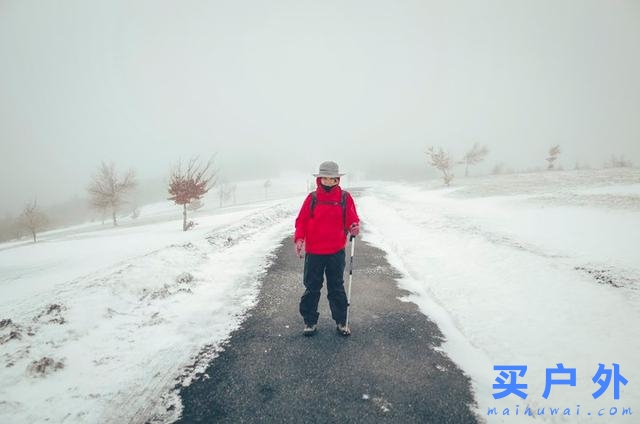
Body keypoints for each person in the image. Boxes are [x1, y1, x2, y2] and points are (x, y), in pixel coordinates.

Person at [294, 161, 360, 337]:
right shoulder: (312, 198)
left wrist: (354, 226)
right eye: (326, 178)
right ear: (320, 179)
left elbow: (352, 219)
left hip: (335, 251)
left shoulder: (345, 198)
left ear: (338, 179)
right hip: (314, 251)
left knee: (336, 287)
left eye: (333, 179)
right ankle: (309, 321)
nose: (329, 182)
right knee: (312, 287)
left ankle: (341, 321)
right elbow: (301, 221)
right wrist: (299, 239)